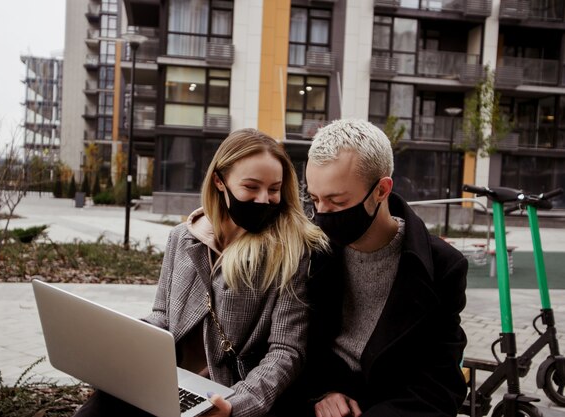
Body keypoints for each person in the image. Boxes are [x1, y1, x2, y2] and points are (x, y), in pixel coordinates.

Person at [73, 128, 328, 417]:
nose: (263, 199)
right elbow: (163, 317)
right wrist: (122, 348)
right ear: (220, 181)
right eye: (251, 187)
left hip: (225, 393)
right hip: (166, 381)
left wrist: (236, 406)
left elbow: (285, 352)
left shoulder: (292, 252)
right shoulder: (182, 238)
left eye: (273, 189)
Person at [301, 119, 468, 417]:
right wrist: (321, 392)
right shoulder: (309, 249)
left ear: (381, 189)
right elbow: (288, 345)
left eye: (337, 201)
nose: (322, 214)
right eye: (314, 199)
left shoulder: (443, 267)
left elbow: (440, 383)